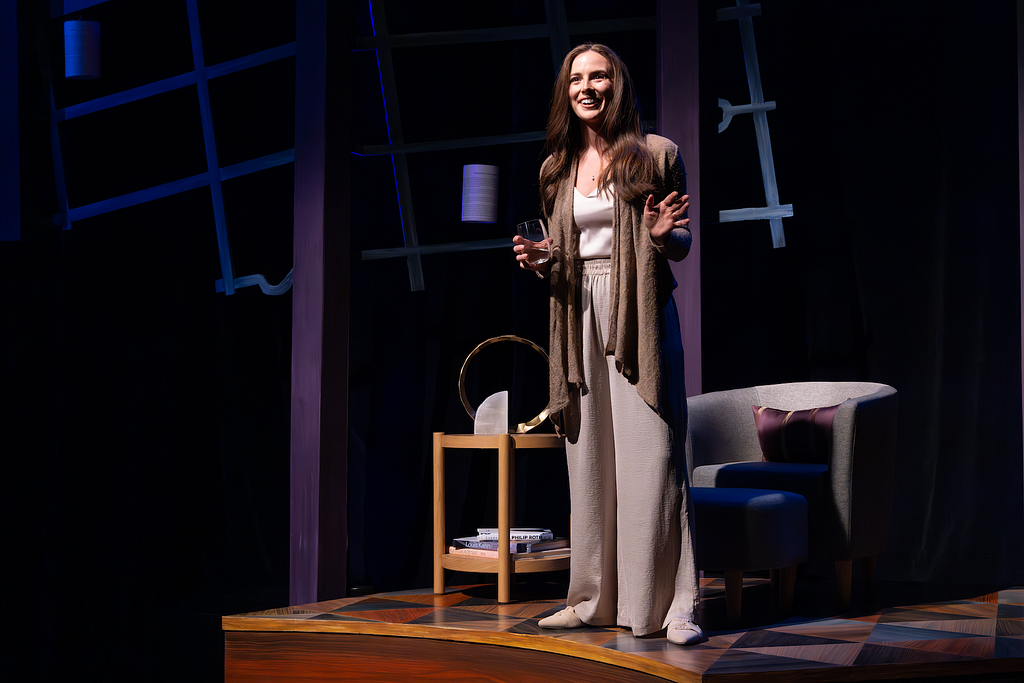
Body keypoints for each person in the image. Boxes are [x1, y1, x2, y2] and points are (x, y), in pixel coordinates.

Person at [512, 43, 701, 646]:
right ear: (565, 93)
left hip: (636, 313)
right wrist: (543, 262)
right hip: (576, 314)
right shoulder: (556, 168)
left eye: (598, 77)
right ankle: (592, 599)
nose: (586, 87)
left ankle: (673, 608)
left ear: (618, 85)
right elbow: (566, 253)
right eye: (575, 79)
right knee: (587, 457)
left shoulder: (656, 155)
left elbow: (681, 245)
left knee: (653, 458)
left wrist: (663, 237)